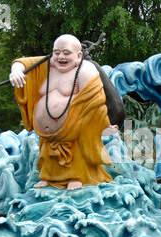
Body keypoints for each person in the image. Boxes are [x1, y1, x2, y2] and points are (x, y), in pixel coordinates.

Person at [9, 34, 117, 190]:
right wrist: (16, 72)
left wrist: (102, 123)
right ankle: (49, 177)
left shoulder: (84, 69)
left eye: (66, 53)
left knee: (76, 150)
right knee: (48, 155)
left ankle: (77, 176)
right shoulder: (47, 65)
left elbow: (95, 101)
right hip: (47, 134)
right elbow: (22, 63)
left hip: (73, 129)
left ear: (79, 55)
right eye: (56, 52)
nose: (60, 57)